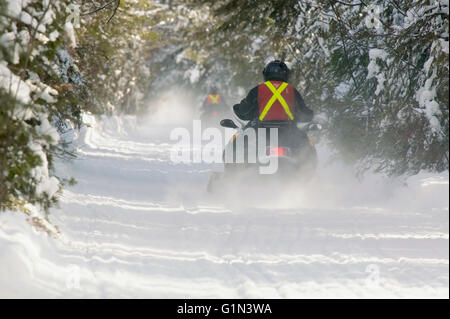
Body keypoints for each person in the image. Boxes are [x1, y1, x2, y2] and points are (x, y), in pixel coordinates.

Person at [233, 60, 313, 125]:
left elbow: (244, 111)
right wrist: (311, 115)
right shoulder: (291, 90)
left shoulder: (258, 89)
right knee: (306, 143)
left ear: (266, 73)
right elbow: (304, 113)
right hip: (288, 134)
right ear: (286, 74)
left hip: (261, 133)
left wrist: (237, 108)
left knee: (241, 140)